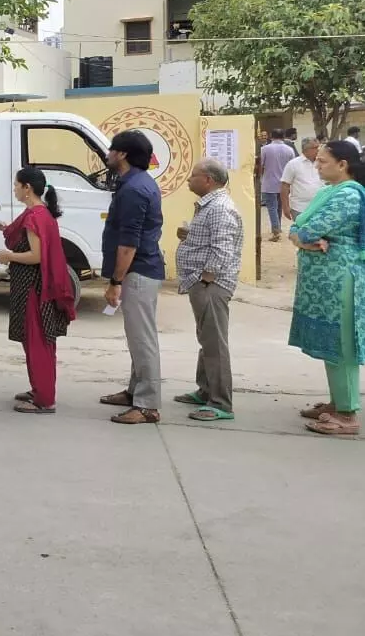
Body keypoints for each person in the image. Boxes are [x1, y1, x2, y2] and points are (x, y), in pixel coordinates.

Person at [288, 141, 365, 436]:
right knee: (332, 344)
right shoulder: (330, 192)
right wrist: (300, 238)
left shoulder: (349, 196)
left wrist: (301, 237)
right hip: (326, 282)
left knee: (343, 346)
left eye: (323, 161)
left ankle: (348, 414)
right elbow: (298, 225)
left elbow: (306, 228)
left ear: (343, 164)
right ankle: (338, 402)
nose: (317, 165)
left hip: (342, 280)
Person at [99, 129, 166, 425]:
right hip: (141, 270)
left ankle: (147, 404)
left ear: (122, 154)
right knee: (137, 337)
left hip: (138, 271)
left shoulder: (134, 190)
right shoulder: (136, 184)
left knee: (142, 340)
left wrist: (115, 282)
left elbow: (128, 244)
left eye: (112, 149)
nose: (108, 154)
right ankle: (134, 391)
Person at [169, 159, 244, 421]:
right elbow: (212, 239)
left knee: (215, 342)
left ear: (208, 180)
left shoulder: (220, 208)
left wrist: (206, 277)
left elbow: (222, 248)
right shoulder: (210, 206)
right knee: (207, 338)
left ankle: (221, 402)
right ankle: (205, 390)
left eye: (194, 176)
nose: (189, 180)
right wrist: (189, 235)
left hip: (211, 285)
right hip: (202, 282)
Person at [0, 168, 75, 414]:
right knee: (39, 342)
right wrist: (5, 229)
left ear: (27, 187)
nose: (14, 188)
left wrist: (9, 256)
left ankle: (44, 399)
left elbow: (36, 255)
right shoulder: (40, 213)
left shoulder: (34, 217)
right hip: (36, 287)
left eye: (16, 184)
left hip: (33, 289)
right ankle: (39, 388)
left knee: (37, 343)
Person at [258, 128, 296, 241]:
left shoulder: (265, 149)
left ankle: (276, 231)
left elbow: (261, 165)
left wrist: (260, 177)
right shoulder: (289, 150)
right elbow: (293, 166)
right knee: (279, 207)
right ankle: (277, 227)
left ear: (271, 136)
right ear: (283, 136)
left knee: (272, 207)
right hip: (285, 183)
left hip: (269, 182)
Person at [280, 138, 323, 223]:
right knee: (301, 234)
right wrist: (285, 207)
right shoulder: (293, 164)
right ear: (306, 149)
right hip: (300, 208)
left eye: (319, 147)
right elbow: (285, 186)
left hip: (320, 207)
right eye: (315, 147)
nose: (318, 150)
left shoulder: (322, 163)